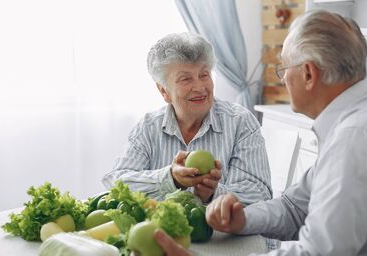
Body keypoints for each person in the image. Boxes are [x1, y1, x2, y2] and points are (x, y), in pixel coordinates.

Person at [130, 9, 367, 256]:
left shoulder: (357, 140)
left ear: (308, 74)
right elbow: (294, 208)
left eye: (284, 69)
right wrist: (242, 219)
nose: (283, 79)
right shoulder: (363, 122)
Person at [102, 32, 272, 204]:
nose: (199, 87)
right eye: (185, 79)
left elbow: (260, 194)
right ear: (164, 91)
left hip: (220, 231)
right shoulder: (148, 127)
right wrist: (170, 179)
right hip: (160, 230)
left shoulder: (240, 123)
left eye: (204, 75)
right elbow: (117, 184)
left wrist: (214, 194)